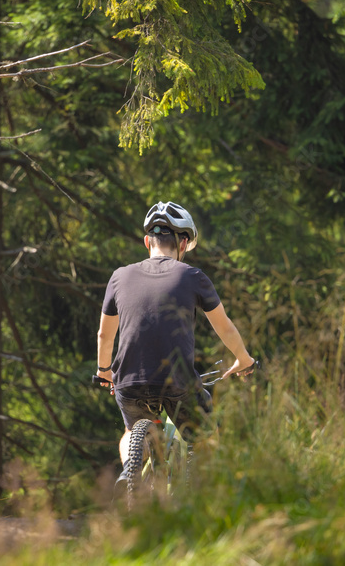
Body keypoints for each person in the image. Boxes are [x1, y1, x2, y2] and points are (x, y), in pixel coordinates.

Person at [95, 201, 255, 484]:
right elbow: (224, 327)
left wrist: (105, 372)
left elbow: (105, 336)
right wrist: (243, 359)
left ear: (147, 241)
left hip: (129, 381)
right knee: (203, 432)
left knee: (131, 432)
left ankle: (127, 472)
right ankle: (196, 484)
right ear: (183, 243)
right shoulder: (193, 276)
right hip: (177, 382)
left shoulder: (119, 276)